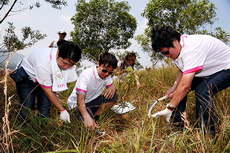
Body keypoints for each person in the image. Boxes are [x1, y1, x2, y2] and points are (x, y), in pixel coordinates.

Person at [150, 25, 230, 136]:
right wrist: (174, 87)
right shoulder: (176, 50)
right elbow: (182, 70)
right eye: (163, 54)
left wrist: (169, 108)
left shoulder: (192, 48)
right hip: (209, 70)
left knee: (203, 91)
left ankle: (207, 135)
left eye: (166, 52)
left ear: (175, 42)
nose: (166, 56)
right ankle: (177, 129)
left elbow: (185, 85)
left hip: (226, 68)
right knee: (178, 91)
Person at [14, 40, 82, 123]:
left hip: (45, 78)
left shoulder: (65, 63)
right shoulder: (43, 61)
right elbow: (48, 91)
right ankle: (22, 127)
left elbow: (58, 82)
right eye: (64, 63)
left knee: (45, 106)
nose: (66, 67)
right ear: (58, 53)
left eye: (71, 65)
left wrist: (56, 97)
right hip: (27, 77)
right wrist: (62, 110)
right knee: (27, 106)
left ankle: (40, 129)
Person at [67, 53, 118, 130]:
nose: (107, 74)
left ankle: (95, 117)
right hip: (77, 104)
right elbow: (80, 100)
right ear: (99, 63)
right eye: (104, 70)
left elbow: (111, 86)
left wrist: (113, 87)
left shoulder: (107, 75)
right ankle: (88, 118)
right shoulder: (86, 75)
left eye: (110, 72)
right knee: (86, 125)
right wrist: (86, 116)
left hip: (92, 100)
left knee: (114, 96)